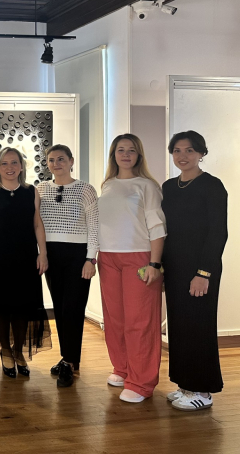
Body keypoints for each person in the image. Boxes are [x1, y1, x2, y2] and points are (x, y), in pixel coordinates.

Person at [162, 131, 227, 411]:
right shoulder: (168, 187)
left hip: (200, 268)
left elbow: (218, 233)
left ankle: (203, 390)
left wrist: (203, 273)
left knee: (198, 326)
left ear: (201, 153)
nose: (183, 156)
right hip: (175, 266)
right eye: (177, 150)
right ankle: (185, 385)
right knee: (179, 327)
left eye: (189, 150)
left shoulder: (212, 186)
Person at [98, 133, 165, 403]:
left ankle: (141, 383)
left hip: (139, 258)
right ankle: (123, 369)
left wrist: (155, 264)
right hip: (108, 258)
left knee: (140, 321)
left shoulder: (147, 186)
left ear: (139, 155)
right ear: (113, 155)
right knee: (115, 320)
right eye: (121, 150)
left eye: (131, 150)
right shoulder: (107, 185)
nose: (126, 155)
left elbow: (157, 226)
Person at [0, 147, 51, 378]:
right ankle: (6, 352)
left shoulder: (31, 191)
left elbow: (37, 224)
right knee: (0, 307)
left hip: (26, 257)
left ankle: (19, 351)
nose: (10, 167)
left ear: (21, 166)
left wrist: (43, 253)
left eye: (14, 163)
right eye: (5, 163)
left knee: (22, 308)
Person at [37, 144, 99, 387]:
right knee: (60, 309)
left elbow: (94, 226)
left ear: (71, 161)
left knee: (73, 309)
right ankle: (68, 359)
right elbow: (36, 224)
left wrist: (90, 259)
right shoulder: (40, 189)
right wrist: (41, 254)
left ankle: (70, 361)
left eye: (61, 159)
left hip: (77, 255)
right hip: (51, 255)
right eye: (52, 160)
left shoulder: (86, 189)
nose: (56, 164)